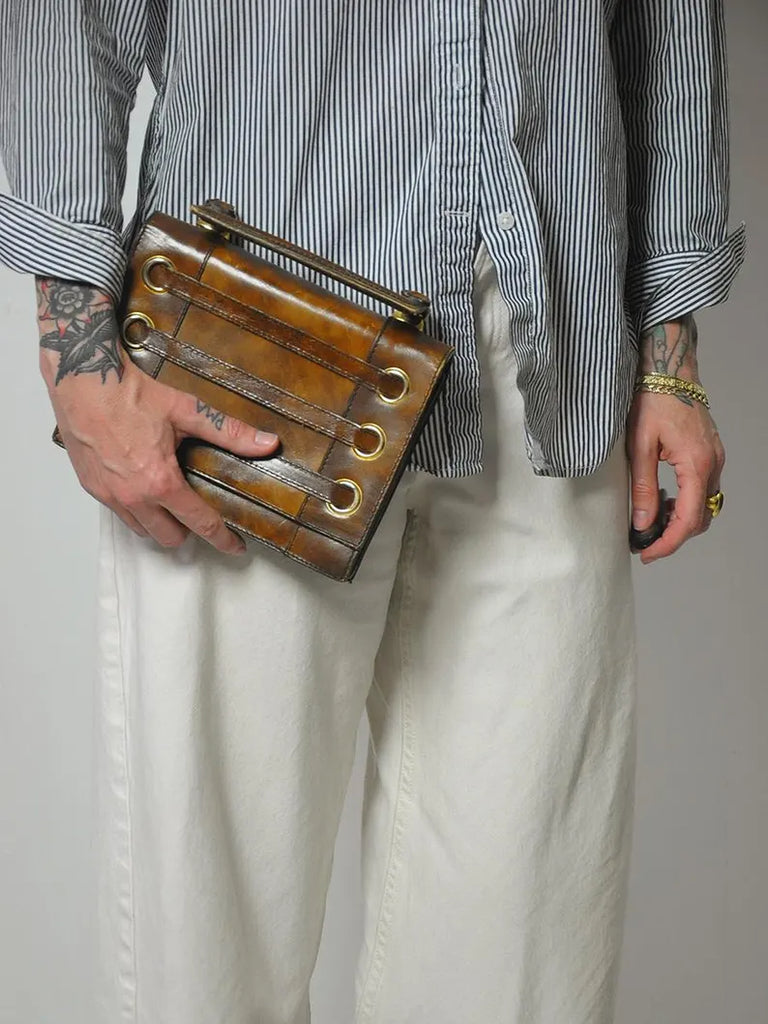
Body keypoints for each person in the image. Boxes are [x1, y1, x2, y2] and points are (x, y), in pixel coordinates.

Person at [0, 3, 744, 1023]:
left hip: (555, 352)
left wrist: (671, 353)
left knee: (524, 945)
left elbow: (669, 26)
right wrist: (75, 345)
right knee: (211, 940)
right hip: (254, 349)